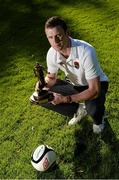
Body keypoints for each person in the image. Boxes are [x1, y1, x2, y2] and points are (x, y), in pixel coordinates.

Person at [30, 16, 109, 134]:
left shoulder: (86, 51)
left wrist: (64, 99)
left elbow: (94, 90)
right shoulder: (52, 53)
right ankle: (78, 110)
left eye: (59, 36)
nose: (55, 42)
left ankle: (99, 119)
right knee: (39, 97)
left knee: (93, 109)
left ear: (67, 33)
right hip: (76, 84)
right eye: (50, 37)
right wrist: (41, 85)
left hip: (96, 85)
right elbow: (51, 78)